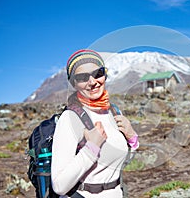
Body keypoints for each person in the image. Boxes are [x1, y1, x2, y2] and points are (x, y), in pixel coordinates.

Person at [51, 49, 139, 198]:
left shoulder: (113, 112)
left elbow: (116, 161)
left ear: (105, 75)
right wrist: (92, 148)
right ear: (74, 83)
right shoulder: (70, 118)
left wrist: (132, 138)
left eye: (98, 73)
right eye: (83, 77)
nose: (92, 82)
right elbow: (59, 186)